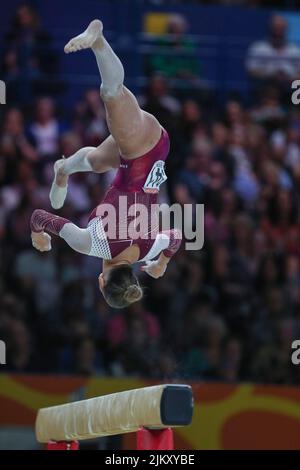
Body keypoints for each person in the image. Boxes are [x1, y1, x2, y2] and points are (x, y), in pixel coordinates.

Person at [30, 20, 182, 309]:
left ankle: (63, 170)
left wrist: (162, 263)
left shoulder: (149, 248)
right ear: (102, 282)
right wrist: (38, 235)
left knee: (99, 161)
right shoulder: (92, 245)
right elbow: (40, 216)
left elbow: (175, 237)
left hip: (148, 153)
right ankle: (98, 40)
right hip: (139, 150)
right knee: (112, 94)